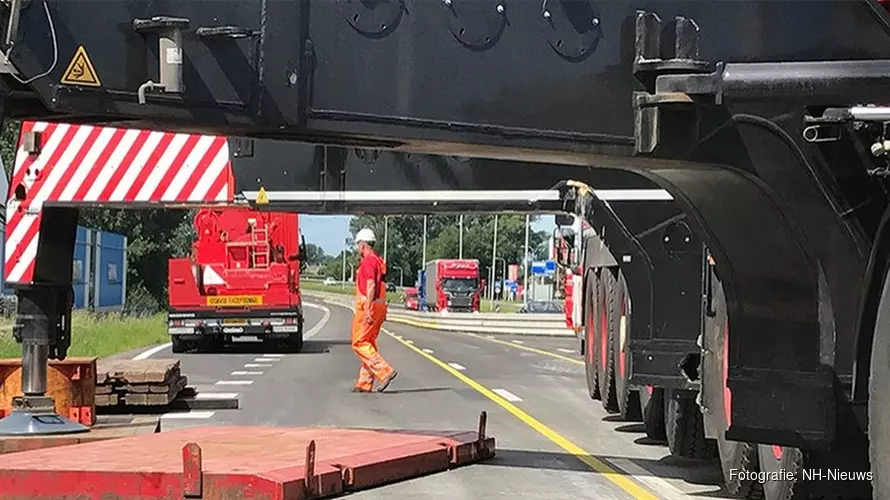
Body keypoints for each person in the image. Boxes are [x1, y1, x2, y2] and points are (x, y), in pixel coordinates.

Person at [350, 228, 398, 393]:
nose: (357, 249)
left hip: (368, 307)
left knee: (359, 342)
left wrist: (368, 309)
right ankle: (364, 382)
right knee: (368, 343)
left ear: (363, 245)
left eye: (358, 246)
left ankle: (384, 371)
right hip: (379, 306)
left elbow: (370, 285)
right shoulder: (378, 261)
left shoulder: (369, 262)